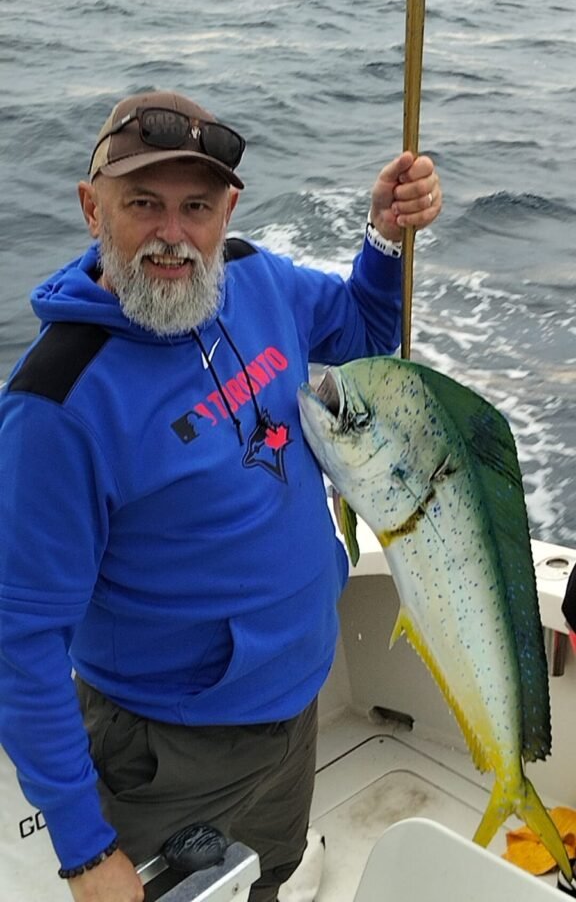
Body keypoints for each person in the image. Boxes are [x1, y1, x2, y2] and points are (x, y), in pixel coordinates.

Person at [0, 89, 442, 902]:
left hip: (295, 709)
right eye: (144, 204)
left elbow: (362, 333)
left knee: (268, 879)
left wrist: (384, 238)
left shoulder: (255, 278)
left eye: (196, 207)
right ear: (92, 208)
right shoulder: (56, 407)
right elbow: (19, 640)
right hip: (171, 755)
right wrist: (87, 853)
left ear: (227, 211)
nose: (173, 235)